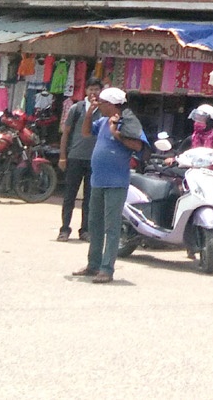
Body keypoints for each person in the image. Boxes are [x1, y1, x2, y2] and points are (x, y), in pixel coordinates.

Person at [74, 87, 145, 284]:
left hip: (116, 183)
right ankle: (93, 264)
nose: (99, 106)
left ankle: (107, 269)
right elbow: (86, 132)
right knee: (95, 224)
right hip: (98, 181)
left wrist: (116, 133)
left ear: (112, 104)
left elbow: (138, 145)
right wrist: (89, 113)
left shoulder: (126, 123)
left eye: (102, 103)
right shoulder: (103, 121)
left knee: (111, 227)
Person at [56, 79, 102, 242]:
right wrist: (63, 156)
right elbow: (66, 133)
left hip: (94, 160)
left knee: (90, 198)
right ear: (86, 91)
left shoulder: (103, 110)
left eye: (96, 89)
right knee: (69, 196)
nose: (93, 92)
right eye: (90, 89)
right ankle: (64, 229)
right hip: (75, 157)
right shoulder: (76, 108)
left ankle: (85, 230)